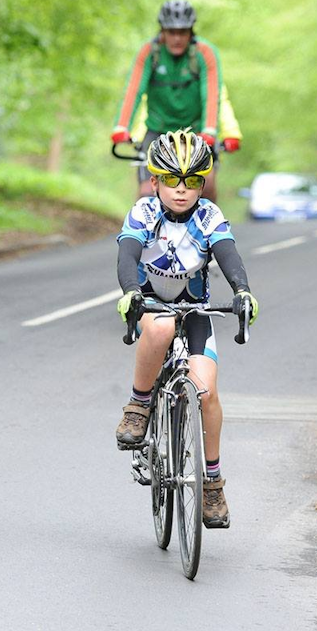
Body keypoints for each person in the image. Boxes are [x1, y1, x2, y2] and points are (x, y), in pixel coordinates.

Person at [114, 130, 259, 529]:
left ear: (203, 183)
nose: (182, 190)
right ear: (154, 179)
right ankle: (139, 405)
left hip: (195, 309)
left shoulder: (209, 216)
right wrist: (130, 292)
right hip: (150, 300)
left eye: (193, 181)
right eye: (171, 179)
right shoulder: (143, 212)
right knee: (159, 330)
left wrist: (243, 290)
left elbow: (229, 255)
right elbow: (127, 255)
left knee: (207, 391)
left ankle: (211, 482)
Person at [111, 0, 236, 202]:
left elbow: (212, 95)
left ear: (191, 32)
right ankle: (149, 232)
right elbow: (133, 91)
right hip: (158, 132)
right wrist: (121, 126)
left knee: (207, 186)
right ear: (162, 31)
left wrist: (210, 131)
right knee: (146, 194)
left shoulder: (204, 53)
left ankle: (207, 231)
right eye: (171, 32)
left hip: (196, 133)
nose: (177, 38)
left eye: (183, 32)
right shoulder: (150, 53)